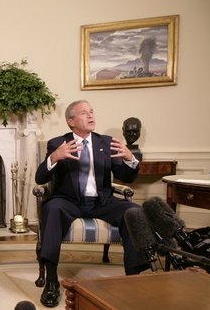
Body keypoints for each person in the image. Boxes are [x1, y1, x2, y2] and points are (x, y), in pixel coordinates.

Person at [35, 100, 148, 308]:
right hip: (68, 201)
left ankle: (133, 278)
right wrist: (54, 157)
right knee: (51, 208)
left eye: (92, 112)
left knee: (134, 211)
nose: (91, 116)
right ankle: (51, 281)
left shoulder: (106, 143)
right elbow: (40, 178)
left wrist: (131, 160)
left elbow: (126, 178)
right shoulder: (58, 142)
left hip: (101, 202)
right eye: (84, 113)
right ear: (71, 121)